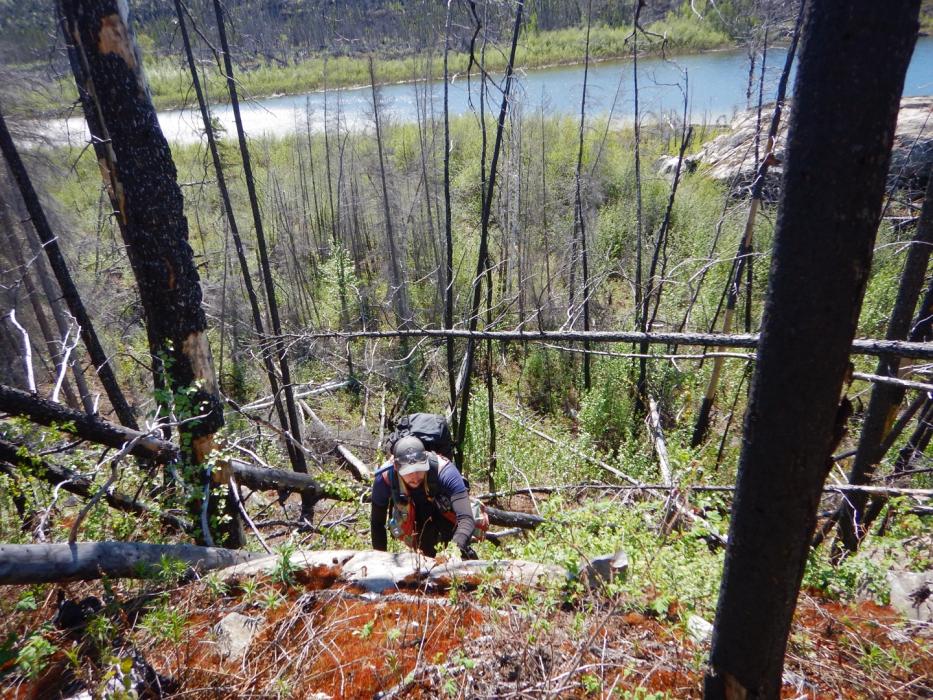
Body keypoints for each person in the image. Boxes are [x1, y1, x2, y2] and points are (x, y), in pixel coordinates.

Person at [370, 435, 477, 559]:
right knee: (425, 554)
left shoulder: (445, 472)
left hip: (445, 514)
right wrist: (381, 560)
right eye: (408, 471)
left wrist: (454, 551)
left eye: (419, 469)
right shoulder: (384, 479)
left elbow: (466, 518)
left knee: (460, 550)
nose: (415, 477)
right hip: (416, 515)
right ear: (396, 467)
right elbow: (377, 523)